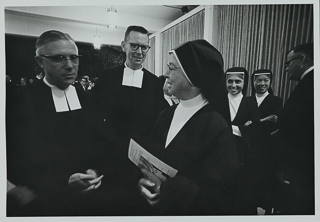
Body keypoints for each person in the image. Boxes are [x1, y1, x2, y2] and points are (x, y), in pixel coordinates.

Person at [6, 30, 105, 216]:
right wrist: (64, 181)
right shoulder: (22, 101)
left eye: (74, 58)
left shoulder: (86, 98)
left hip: (90, 195)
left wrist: (95, 171)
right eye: (59, 58)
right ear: (40, 62)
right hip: (46, 199)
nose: (69, 65)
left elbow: (100, 141)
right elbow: (15, 157)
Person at [137, 39, 238, 215]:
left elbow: (217, 192)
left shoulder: (216, 126)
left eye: (172, 68)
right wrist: (143, 183)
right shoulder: (165, 114)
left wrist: (168, 191)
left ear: (194, 76)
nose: (165, 74)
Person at [92, 25, 168, 215]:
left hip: (140, 161)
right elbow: (94, 115)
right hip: (111, 155)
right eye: (134, 46)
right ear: (123, 45)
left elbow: (159, 118)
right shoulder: (107, 77)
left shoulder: (154, 82)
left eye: (144, 47)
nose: (139, 52)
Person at [276, 43, 314, 215]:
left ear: (301, 59)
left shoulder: (310, 85)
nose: (286, 69)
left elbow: (299, 131)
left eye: (288, 63)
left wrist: (287, 167)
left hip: (300, 168)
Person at [225, 67, 260, 214]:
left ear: (244, 83)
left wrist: (226, 127)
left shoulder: (251, 104)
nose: (234, 85)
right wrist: (241, 128)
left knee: (241, 194)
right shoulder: (218, 102)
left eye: (238, 81)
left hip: (243, 156)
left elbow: (255, 130)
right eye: (230, 81)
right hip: (222, 153)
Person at [249, 69, 283, 214]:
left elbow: (276, 122)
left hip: (267, 147)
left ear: (270, 82)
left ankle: (266, 208)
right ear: (253, 82)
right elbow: (244, 123)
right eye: (259, 80)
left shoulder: (276, 101)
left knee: (266, 178)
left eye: (266, 80)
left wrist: (254, 123)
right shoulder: (248, 100)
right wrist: (263, 120)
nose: (262, 83)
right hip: (249, 145)